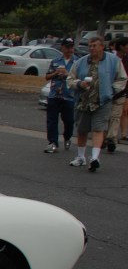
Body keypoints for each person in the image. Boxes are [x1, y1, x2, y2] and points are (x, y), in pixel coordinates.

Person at [66, 36, 128, 172]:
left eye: (94, 45)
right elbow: (70, 79)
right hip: (83, 100)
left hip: (102, 101)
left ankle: (94, 158)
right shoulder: (81, 62)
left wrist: (111, 91)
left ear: (102, 46)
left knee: (98, 129)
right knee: (82, 129)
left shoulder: (113, 61)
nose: (92, 48)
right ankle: (80, 156)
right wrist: (78, 83)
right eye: (90, 46)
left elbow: (122, 78)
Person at [43, 38, 78, 154]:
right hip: (54, 95)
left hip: (69, 96)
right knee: (52, 120)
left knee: (69, 120)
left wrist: (68, 75)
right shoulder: (55, 61)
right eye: (67, 47)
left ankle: (67, 137)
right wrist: (55, 73)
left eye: (71, 47)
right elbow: (47, 76)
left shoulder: (77, 62)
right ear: (62, 48)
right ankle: (53, 142)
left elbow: (79, 79)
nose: (70, 50)